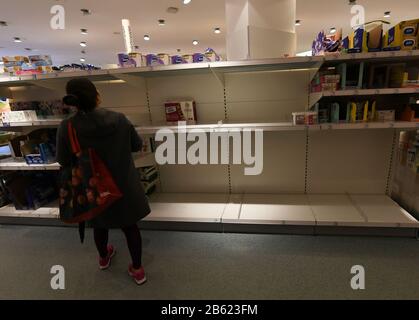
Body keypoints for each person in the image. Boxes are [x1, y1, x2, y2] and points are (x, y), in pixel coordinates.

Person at [56, 77, 151, 285]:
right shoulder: (119, 119)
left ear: (72, 101)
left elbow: (63, 160)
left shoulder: (67, 127)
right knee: (130, 227)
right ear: (96, 96)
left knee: (99, 225)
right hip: (124, 184)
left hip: (93, 187)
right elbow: (136, 145)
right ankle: (138, 270)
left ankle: (103, 258)